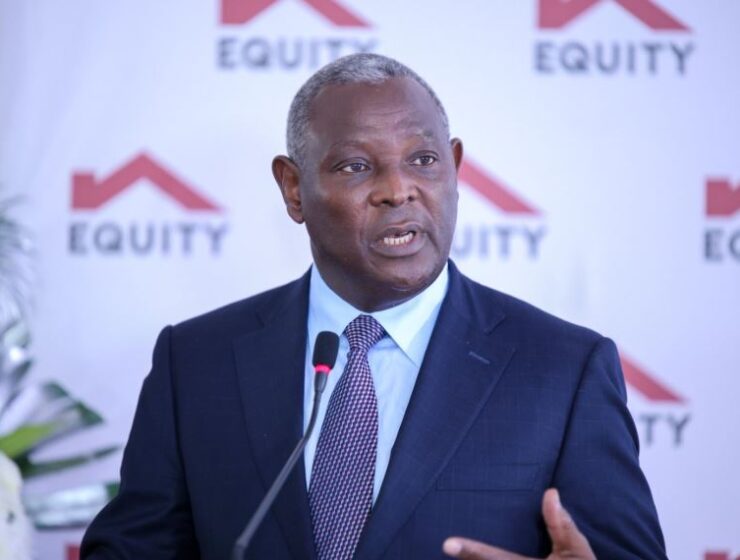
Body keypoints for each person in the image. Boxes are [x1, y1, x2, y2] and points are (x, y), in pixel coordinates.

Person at [81, 53, 667, 560]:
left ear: (455, 168)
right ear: (293, 189)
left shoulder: (563, 371)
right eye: (356, 166)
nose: (398, 189)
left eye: (424, 159)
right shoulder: (196, 362)